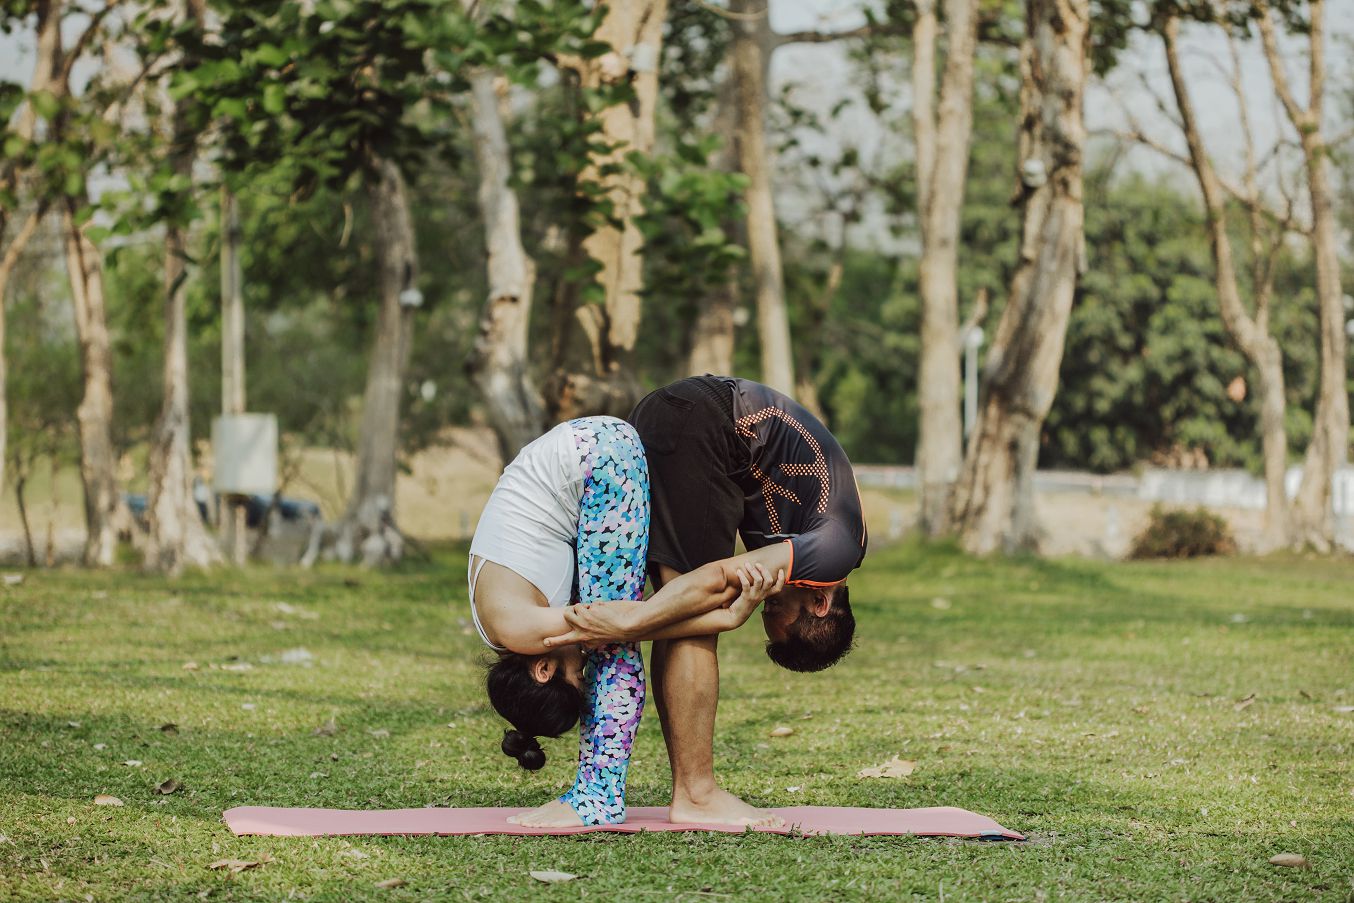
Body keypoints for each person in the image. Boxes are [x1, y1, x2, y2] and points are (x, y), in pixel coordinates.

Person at [544, 376, 867, 826]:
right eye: (777, 609)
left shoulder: (816, 552)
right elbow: (712, 581)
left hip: (682, 421)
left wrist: (628, 623)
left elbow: (694, 600)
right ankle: (696, 794)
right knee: (697, 612)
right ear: (819, 605)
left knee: (687, 609)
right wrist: (628, 625)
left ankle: (678, 791)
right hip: (706, 424)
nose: (769, 599)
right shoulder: (837, 549)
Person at [468, 415, 783, 828]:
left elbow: (624, 625)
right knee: (611, 636)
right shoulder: (505, 629)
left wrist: (726, 615)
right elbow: (638, 621)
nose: (581, 666)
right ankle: (600, 793)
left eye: (576, 675)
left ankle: (597, 798)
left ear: (543, 669)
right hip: (594, 450)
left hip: (600, 459)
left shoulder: (519, 628)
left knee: (612, 653)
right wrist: (725, 616)